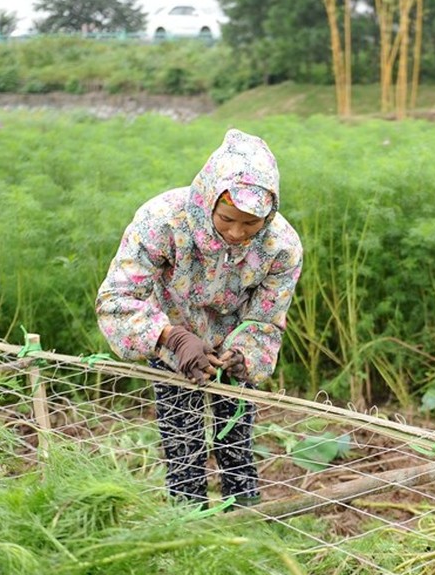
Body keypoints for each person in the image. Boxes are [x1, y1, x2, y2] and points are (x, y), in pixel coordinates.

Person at [96, 129, 303, 507]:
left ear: (268, 215)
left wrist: (244, 354)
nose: (237, 233)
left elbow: (267, 318)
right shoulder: (162, 222)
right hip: (170, 340)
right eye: (226, 220)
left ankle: (246, 523)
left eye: (250, 224)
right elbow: (118, 297)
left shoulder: (281, 247)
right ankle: (191, 529)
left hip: (232, 347)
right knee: (183, 446)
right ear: (209, 198)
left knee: (236, 441)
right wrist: (170, 338)